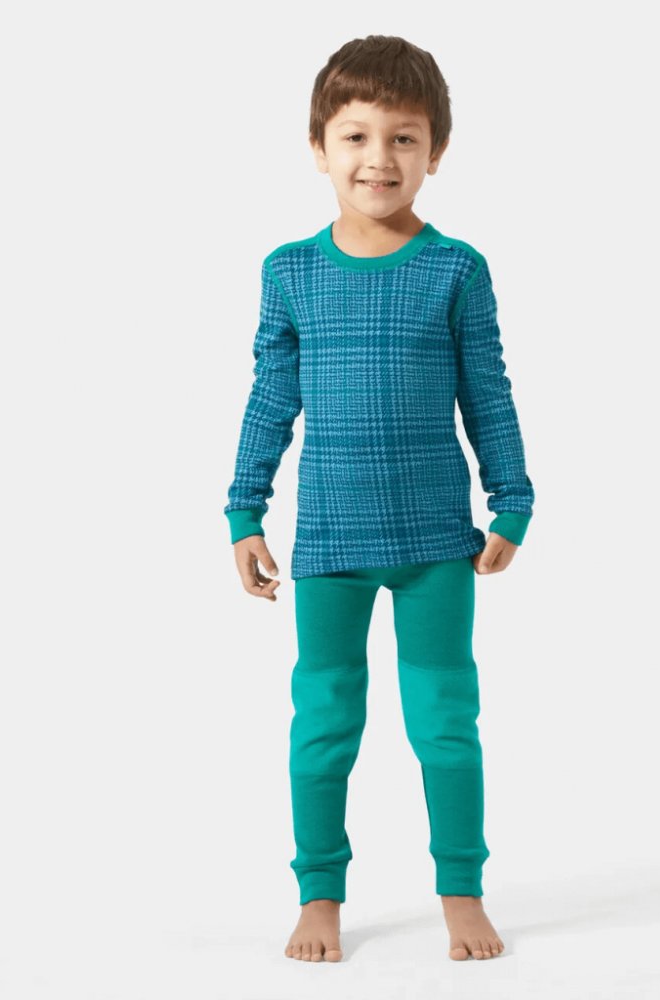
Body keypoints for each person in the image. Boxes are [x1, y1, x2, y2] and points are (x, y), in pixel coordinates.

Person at [224, 34, 534, 963]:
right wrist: (244, 510)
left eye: (404, 138)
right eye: (356, 136)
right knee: (325, 725)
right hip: (328, 543)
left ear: (436, 150)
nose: (379, 158)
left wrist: (512, 499)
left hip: (439, 542)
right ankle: (319, 894)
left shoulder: (457, 269)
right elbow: (271, 397)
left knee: (446, 726)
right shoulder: (290, 271)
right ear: (318, 147)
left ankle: (461, 890)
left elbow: (488, 391)